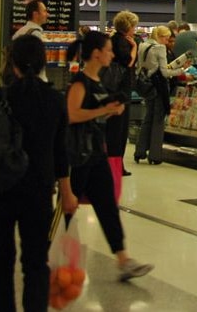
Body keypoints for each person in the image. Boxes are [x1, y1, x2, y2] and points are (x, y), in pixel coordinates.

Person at [0, 34, 78, 312]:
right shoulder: (55, 100)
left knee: (1, 261)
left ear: (12, 63)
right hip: (38, 191)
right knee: (36, 263)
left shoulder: (0, 97)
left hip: (0, 189)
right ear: (43, 63)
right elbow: (60, 153)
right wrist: (67, 192)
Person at [66, 30, 154, 281]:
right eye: (108, 50)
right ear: (96, 54)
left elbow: (93, 113)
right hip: (80, 156)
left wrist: (110, 111)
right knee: (68, 208)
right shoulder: (80, 83)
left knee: (107, 207)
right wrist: (103, 109)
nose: (112, 54)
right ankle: (50, 249)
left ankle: (123, 258)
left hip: (96, 153)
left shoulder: (98, 82)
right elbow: (72, 115)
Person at [134, 25, 192, 164]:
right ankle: (155, 155)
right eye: (166, 39)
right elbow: (165, 72)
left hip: (147, 86)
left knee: (148, 118)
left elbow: (152, 66)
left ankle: (140, 151)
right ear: (160, 37)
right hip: (159, 87)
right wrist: (182, 71)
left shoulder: (143, 45)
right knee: (159, 120)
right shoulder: (159, 48)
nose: (167, 42)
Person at [103, 11, 139, 185]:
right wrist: (134, 49)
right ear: (129, 26)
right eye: (134, 26)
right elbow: (128, 62)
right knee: (119, 131)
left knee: (112, 130)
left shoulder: (111, 39)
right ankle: (116, 166)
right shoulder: (124, 42)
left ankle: (112, 164)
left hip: (112, 89)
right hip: (121, 90)